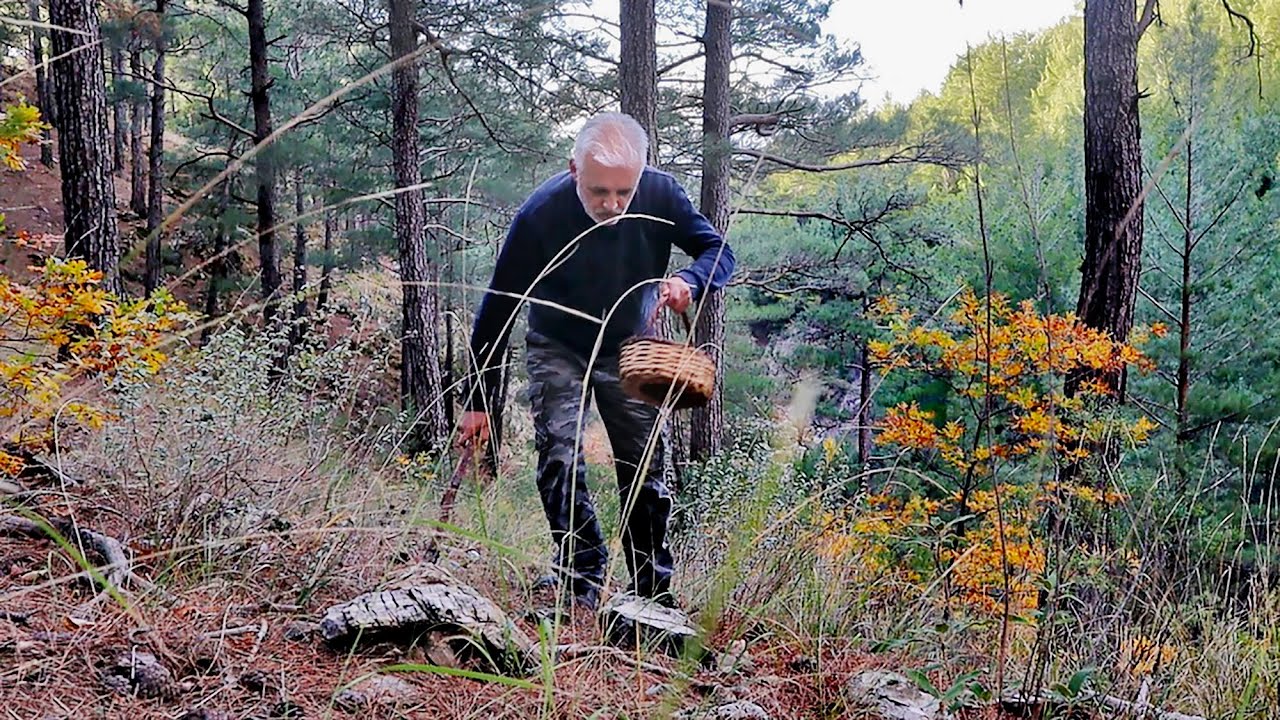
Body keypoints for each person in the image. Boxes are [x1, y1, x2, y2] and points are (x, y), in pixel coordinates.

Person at [458, 111, 735, 611]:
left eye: (622, 193)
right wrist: (478, 401)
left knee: (646, 468)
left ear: (640, 178)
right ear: (573, 171)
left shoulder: (661, 195)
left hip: (631, 349)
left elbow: (717, 250)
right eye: (598, 192)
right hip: (557, 345)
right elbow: (498, 307)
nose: (611, 205)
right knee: (559, 457)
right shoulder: (540, 214)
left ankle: (652, 588)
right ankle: (579, 575)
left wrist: (689, 281)